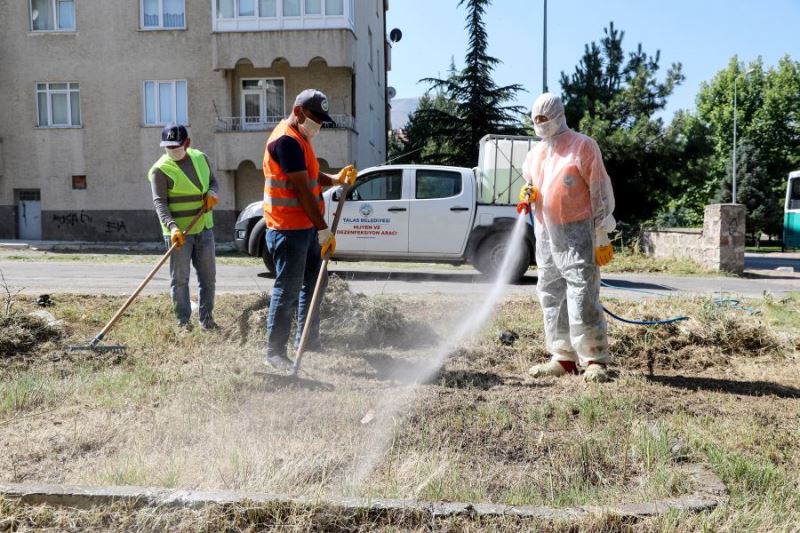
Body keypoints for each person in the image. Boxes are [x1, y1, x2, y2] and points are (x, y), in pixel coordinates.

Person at [520, 93, 616, 383]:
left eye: (543, 118)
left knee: (582, 292)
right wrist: (528, 194)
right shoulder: (534, 154)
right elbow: (532, 184)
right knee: (550, 290)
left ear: (558, 115)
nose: (539, 124)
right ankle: (563, 356)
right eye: (535, 119)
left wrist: (601, 232)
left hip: (578, 233)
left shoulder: (582, 146)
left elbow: (599, 190)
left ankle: (594, 358)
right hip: (546, 232)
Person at [262, 89, 357, 371]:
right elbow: (302, 190)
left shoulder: (301, 138)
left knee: (314, 283)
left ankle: (307, 340)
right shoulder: (286, 140)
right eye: (314, 117)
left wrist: (336, 179)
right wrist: (323, 230)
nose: (318, 124)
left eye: (321, 119)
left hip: (304, 226)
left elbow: (311, 175)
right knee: (288, 289)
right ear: (299, 111)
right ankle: (274, 352)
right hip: (288, 228)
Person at [148, 123, 220, 330]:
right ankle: (183, 323)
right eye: (168, 147)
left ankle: (207, 320)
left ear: (187, 143)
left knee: (208, 278)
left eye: (176, 147)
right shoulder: (160, 169)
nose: (172, 151)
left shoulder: (200, 158)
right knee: (180, 280)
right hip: (179, 235)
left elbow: (213, 182)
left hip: (204, 228)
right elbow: (159, 202)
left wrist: (212, 194)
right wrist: (172, 227)